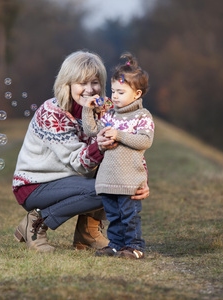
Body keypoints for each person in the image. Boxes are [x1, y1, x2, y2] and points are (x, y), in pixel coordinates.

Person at [12, 50, 150, 253]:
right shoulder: (53, 112)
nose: (89, 89)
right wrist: (100, 145)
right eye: (81, 83)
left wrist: (141, 179)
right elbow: (78, 162)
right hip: (37, 184)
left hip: (71, 180)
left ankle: (87, 232)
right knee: (106, 187)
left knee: (117, 179)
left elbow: (126, 149)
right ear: (67, 84)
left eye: (94, 82)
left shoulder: (105, 110)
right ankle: (35, 222)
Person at [81, 52, 154, 259]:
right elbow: (91, 131)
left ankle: (134, 246)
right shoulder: (110, 115)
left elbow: (145, 141)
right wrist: (88, 111)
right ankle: (115, 244)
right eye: (113, 91)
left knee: (129, 216)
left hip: (129, 178)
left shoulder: (142, 116)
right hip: (108, 178)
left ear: (137, 94)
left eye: (121, 92)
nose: (114, 96)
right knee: (113, 216)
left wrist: (119, 134)